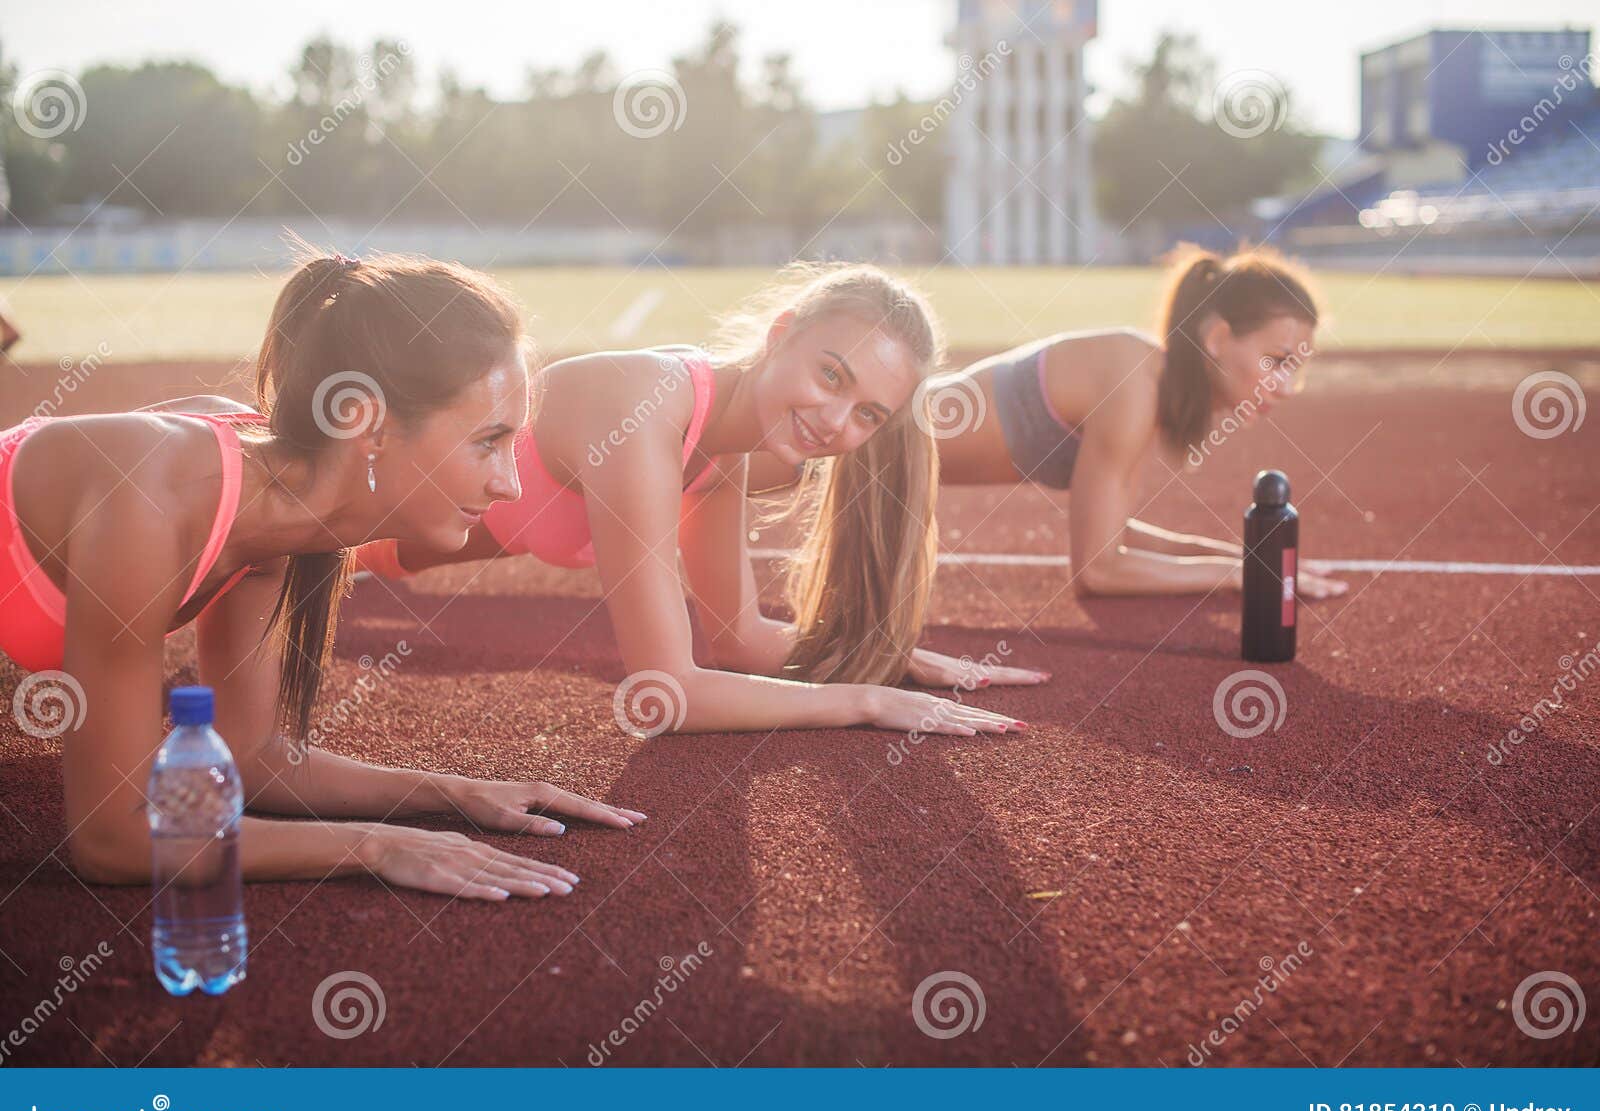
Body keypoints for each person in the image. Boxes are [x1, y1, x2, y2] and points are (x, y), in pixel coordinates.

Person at [0, 248, 643, 903]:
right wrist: (376, 845)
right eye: (488, 441)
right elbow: (113, 838)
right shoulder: (158, 494)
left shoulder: (279, 521)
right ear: (369, 425)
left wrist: (453, 792)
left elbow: (250, 756)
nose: (509, 483)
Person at [355, 264, 1047, 736]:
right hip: (337, 508)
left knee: (359, 561)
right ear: (781, 335)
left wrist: (880, 655)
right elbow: (665, 692)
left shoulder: (723, 451)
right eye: (831, 375)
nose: (836, 421)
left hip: (394, 541)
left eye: (867, 414)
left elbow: (737, 637)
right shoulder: (647, 409)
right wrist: (864, 699)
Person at [749, 245, 1350, 600]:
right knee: (720, 465)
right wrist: (1239, 575)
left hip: (868, 448)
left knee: (721, 473)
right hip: (867, 440)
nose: (1287, 387)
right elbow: (1100, 569)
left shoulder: (1149, 384)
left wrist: (1252, 562)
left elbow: (1115, 532)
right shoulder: (1134, 386)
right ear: (1218, 337)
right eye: (1276, 361)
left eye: (1297, 367)